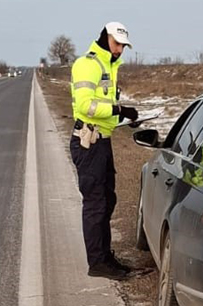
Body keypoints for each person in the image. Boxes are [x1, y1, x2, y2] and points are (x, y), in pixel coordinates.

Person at [70, 22, 139, 280]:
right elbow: (86, 106)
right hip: (89, 142)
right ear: (104, 38)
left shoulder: (109, 66)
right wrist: (119, 109)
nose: (120, 50)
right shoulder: (88, 64)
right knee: (96, 203)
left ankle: (104, 256)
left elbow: (104, 107)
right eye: (116, 44)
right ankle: (97, 263)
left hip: (103, 140)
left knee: (107, 200)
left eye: (123, 46)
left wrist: (125, 117)